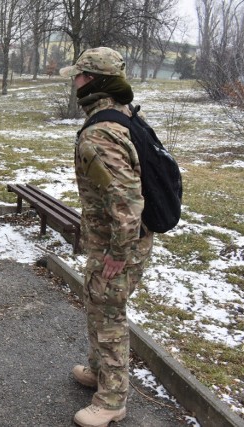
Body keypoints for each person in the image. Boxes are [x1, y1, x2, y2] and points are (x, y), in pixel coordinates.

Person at [59, 47, 154, 427]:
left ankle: (112, 400)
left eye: (79, 75)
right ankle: (100, 371)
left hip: (120, 242)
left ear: (93, 81)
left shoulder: (101, 133)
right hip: (112, 239)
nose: (74, 81)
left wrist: (119, 252)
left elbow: (125, 201)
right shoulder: (120, 115)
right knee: (99, 303)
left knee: (110, 313)